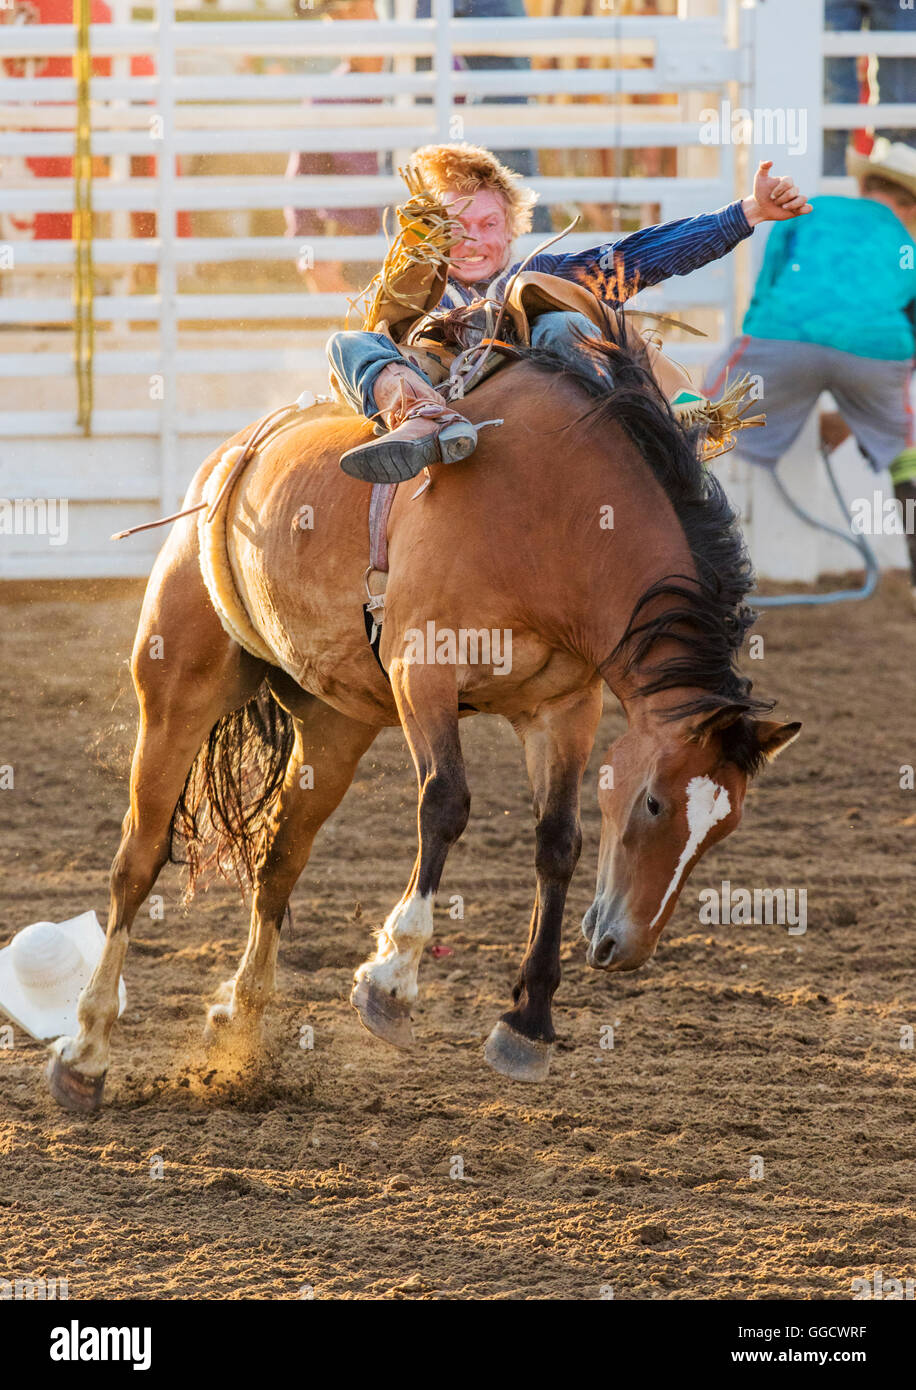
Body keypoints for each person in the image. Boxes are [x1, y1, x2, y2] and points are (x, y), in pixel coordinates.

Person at [326, 141, 810, 483]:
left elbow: (641, 256)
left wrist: (747, 212)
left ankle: (618, 436)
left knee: (563, 321)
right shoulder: (415, 294)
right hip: (440, 386)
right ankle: (422, 422)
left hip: (541, 400)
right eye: (454, 226)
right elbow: (384, 329)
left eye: (488, 223)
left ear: (511, 231)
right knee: (348, 342)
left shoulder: (543, 277)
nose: (471, 239)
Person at [703, 138, 916, 598]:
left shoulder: (810, 209)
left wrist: (774, 364)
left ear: (866, 186)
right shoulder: (908, 242)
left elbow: (768, 290)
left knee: (700, 417)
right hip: (878, 352)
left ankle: (683, 563)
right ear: (910, 205)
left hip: (784, 337)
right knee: (906, 449)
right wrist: (856, 415)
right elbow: (909, 331)